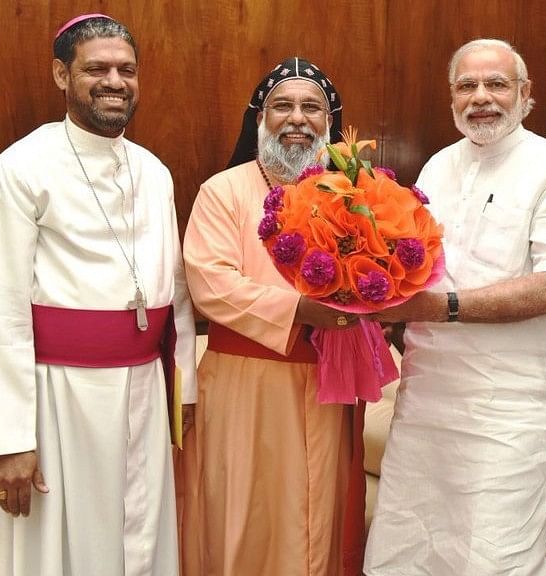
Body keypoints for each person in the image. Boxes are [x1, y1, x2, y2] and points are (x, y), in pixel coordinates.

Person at [0, 14, 198, 576]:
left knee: (141, 540)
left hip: (142, 392)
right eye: (97, 69)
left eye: (126, 70)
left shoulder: (154, 172)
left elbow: (175, 292)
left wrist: (182, 387)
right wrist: (7, 438)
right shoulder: (20, 169)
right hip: (57, 400)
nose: (115, 81)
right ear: (62, 75)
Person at [363, 39, 546, 575]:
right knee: (406, 553)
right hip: (427, 404)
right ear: (451, 97)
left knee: (495, 559)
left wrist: (433, 308)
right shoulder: (436, 169)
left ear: (524, 93)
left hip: (514, 411)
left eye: (496, 84)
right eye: (467, 86)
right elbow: (407, 269)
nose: (481, 98)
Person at [177, 57, 366, 576]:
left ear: (330, 124)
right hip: (244, 386)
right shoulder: (223, 191)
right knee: (244, 515)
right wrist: (301, 311)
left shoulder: (356, 195)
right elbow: (210, 284)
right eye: (283, 105)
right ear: (259, 119)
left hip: (329, 383)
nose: (297, 118)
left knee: (319, 518)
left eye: (313, 108)